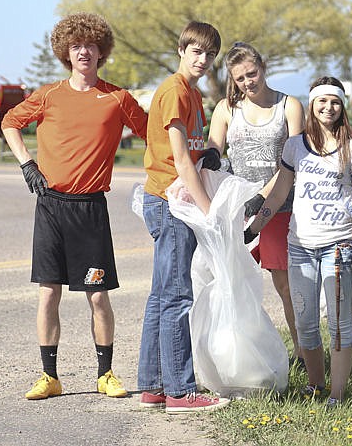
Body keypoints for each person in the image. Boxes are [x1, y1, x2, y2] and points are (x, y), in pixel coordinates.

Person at [1, 12, 149, 400]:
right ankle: (49, 376)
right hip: (50, 205)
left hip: (90, 210)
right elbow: (9, 123)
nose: (84, 51)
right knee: (48, 292)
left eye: (91, 45)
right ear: (66, 53)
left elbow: (156, 135)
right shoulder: (49, 94)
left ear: (102, 52)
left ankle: (106, 374)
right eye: (76, 46)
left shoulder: (118, 98)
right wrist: (27, 164)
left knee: (98, 296)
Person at [244, 77, 352, 408]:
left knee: (340, 324)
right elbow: (280, 192)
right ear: (312, 106)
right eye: (322, 102)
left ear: (342, 107)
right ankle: (316, 384)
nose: (328, 108)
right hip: (300, 246)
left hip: (340, 248)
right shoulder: (295, 146)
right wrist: (254, 227)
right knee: (305, 322)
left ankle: (337, 395)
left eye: (335, 102)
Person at [137, 21, 229, 414]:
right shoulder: (175, 91)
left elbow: (192, 154)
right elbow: (179, 162)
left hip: (174, 200)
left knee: (161, 295)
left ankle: (153, 386)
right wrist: (211, 214)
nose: (203, 59)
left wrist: (207, 154)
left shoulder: (193, 94)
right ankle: (180, 391)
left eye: (209, 54)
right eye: (196, 51)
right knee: (177, 297)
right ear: (181, 50)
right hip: (170, 202)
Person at [206, 42, 305, 368]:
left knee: (285, 285)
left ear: (262, 68)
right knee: (234, 283)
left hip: (279, 206)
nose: (248, 82)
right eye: (240, 78)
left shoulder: (288, 106)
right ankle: (240, 357)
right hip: (238, 207)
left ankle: (305, 354)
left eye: (252, 73)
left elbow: (292, 161)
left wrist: (263, 196)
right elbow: (214, 151)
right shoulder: (226, 109)